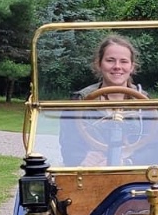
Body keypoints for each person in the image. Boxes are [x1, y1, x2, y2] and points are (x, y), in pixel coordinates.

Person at [60, 35, 149, 166]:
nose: (117, 66)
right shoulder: (79, 101)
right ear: (99, 64)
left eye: (124, 61)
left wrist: (127, 162)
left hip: (133, 174)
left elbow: (153, 148)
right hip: (91, 171)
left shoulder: (145, 102)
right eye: (110, 60)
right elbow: (70, 146)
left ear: (132, 67)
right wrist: (83, 159)